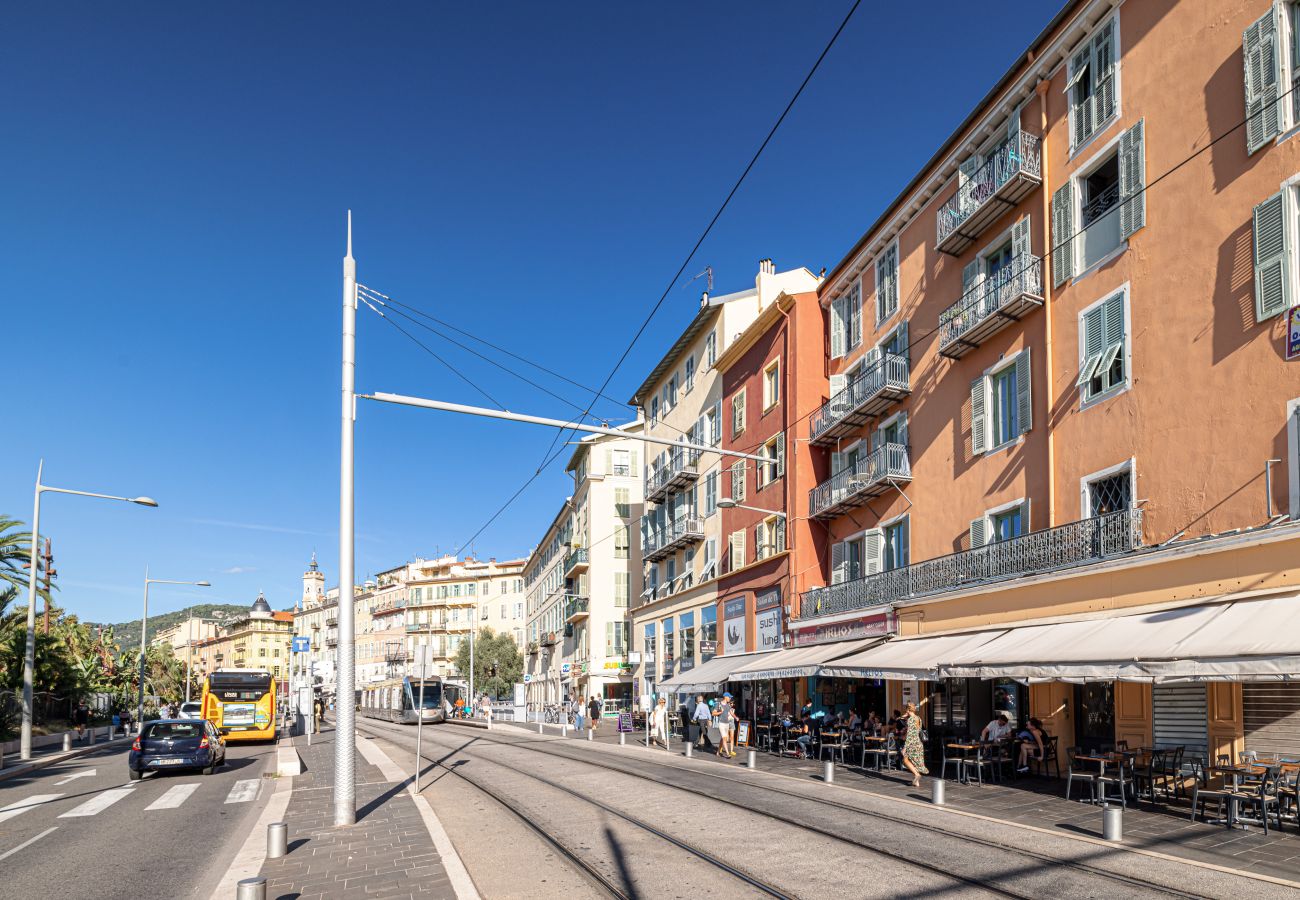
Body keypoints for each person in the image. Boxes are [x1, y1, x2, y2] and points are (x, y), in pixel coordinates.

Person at [901, 701, 929, 787]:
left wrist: (905, 747)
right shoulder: (918, 718)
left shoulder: (910, 720)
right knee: (914, 762)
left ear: (908, 710)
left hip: (912, 743)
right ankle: (916, 782)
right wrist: (905, 716)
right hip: (918, 743)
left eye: (906, 710)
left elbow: (910, 735)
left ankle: (917, 775)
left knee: (905, 760)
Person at [715, 693, 736, 759]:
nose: (730, 698)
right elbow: (713, 713)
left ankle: (718, 751)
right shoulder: (719, 704)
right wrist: (720, 712)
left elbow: (731, 713)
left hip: (727, 724)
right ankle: (727, 753)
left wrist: (736, 717)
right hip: (721, 723)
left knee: (723, 738)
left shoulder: (727, 705)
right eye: (729, 697)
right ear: (725, 697)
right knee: (725, 738)